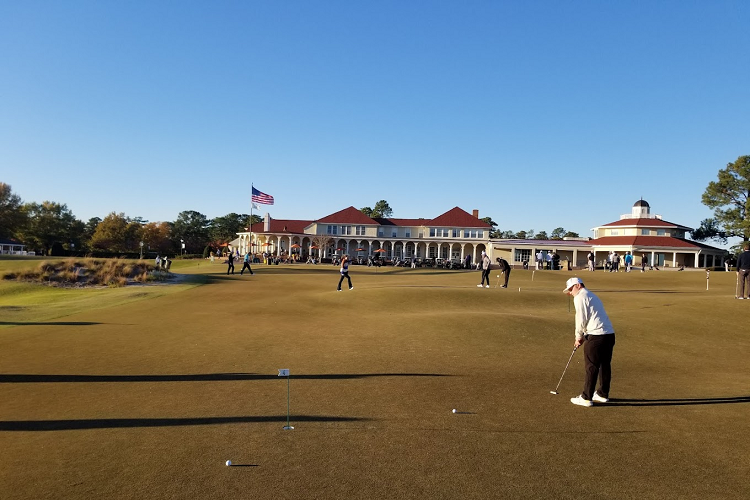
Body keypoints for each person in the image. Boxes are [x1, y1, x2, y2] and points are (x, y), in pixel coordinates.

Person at [563, 277, 616, 407]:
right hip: (608, 335)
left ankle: (586, 397)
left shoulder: (580, 297)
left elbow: (581, 319)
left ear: (578, 285)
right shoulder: (591, 295)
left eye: (571, 289)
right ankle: (603, 394)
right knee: (604, 365)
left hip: (596, 336)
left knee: (591, 366)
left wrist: (578, 336)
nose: (570, 292)